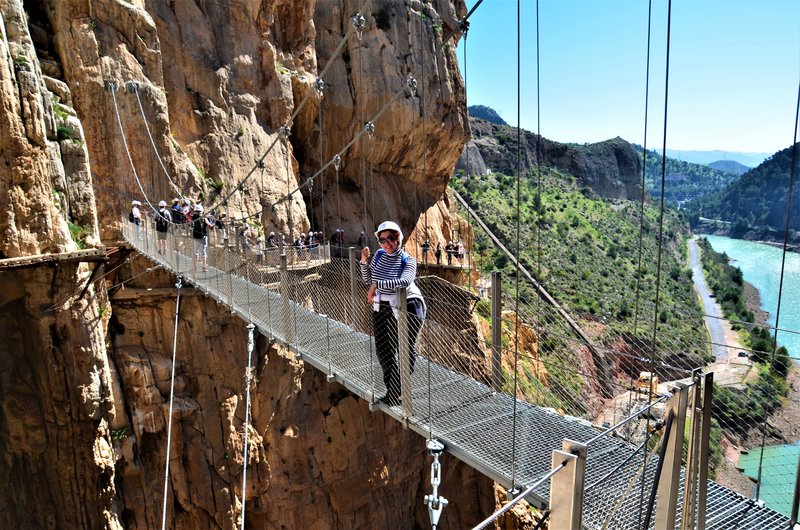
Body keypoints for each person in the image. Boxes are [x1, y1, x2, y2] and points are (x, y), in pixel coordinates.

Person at [360, 221, 426, 407]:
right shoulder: (379, 255)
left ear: (399, 238)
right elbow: (368, 280)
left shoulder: (408, 260)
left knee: (405, 349)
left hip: (409, 304)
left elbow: (404, 282)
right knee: (384, 351)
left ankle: (396, 391)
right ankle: (394, 392)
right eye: (382, 239)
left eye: (391, 238)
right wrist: (364, 262)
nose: (387, 243)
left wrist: (376, 285)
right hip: (383, 306)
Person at [191, 205, 214, 272]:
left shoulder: (193, 218)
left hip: (196, 237)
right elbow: (210, 226)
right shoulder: (204, 218)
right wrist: (212, 224)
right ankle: (204, 267)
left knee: (196, 252)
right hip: (203, 236)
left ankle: (195, 268)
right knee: (203, 252)